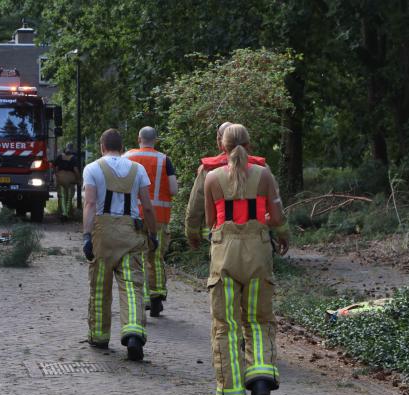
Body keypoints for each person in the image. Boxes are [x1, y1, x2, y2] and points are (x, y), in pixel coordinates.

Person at [203, 124, 289, 395]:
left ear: (222, 147)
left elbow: (210, 222)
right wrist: (262, 218)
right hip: (258, 255)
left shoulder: (211, 178)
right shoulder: (264, 175)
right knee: (258, 320)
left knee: (225, 326)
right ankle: (262, 376)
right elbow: (276, 217)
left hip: (224, 256)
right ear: (249, 145)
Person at [82, 129, 158, 361]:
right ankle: (134, 332)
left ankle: (99, 336)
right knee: (132, 286)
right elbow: (146, 206)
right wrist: (153, 234)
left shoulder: (93, 168)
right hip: (130, 233)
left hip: (103, 235)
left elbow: (91, 204)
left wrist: (87, 236)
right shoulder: (138, 169)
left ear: (102, 146)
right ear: (122, 147)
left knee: (100, 288)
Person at [185, 122, 272, 250]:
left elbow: (195, 207)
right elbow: (273, 209)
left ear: (221, 142)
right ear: (247, 143)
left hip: (223, 240)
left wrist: (192, 235)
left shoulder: (208, 170)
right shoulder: (263, 169)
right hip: (257, 240)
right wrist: (281, 233)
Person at [124, 126, 177, 317]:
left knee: (138, 256)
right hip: (160, 217)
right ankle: (157, 296)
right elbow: (173, 190)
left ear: (139, 138)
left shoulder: (127, 157)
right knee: (155, 256)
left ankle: (143, 297)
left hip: (132, 216)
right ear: (156, 140)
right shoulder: (164, 160)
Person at [54, 143, 81, 222]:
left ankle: (63, 213)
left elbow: (55, 167)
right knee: (69, 197)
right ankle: (67, 214)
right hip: (70, 180)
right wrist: (79, 179)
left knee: (62, 197)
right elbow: (76, 170)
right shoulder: (73, 158)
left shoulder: (60, 157)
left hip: (61, 179)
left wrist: (57, 175)